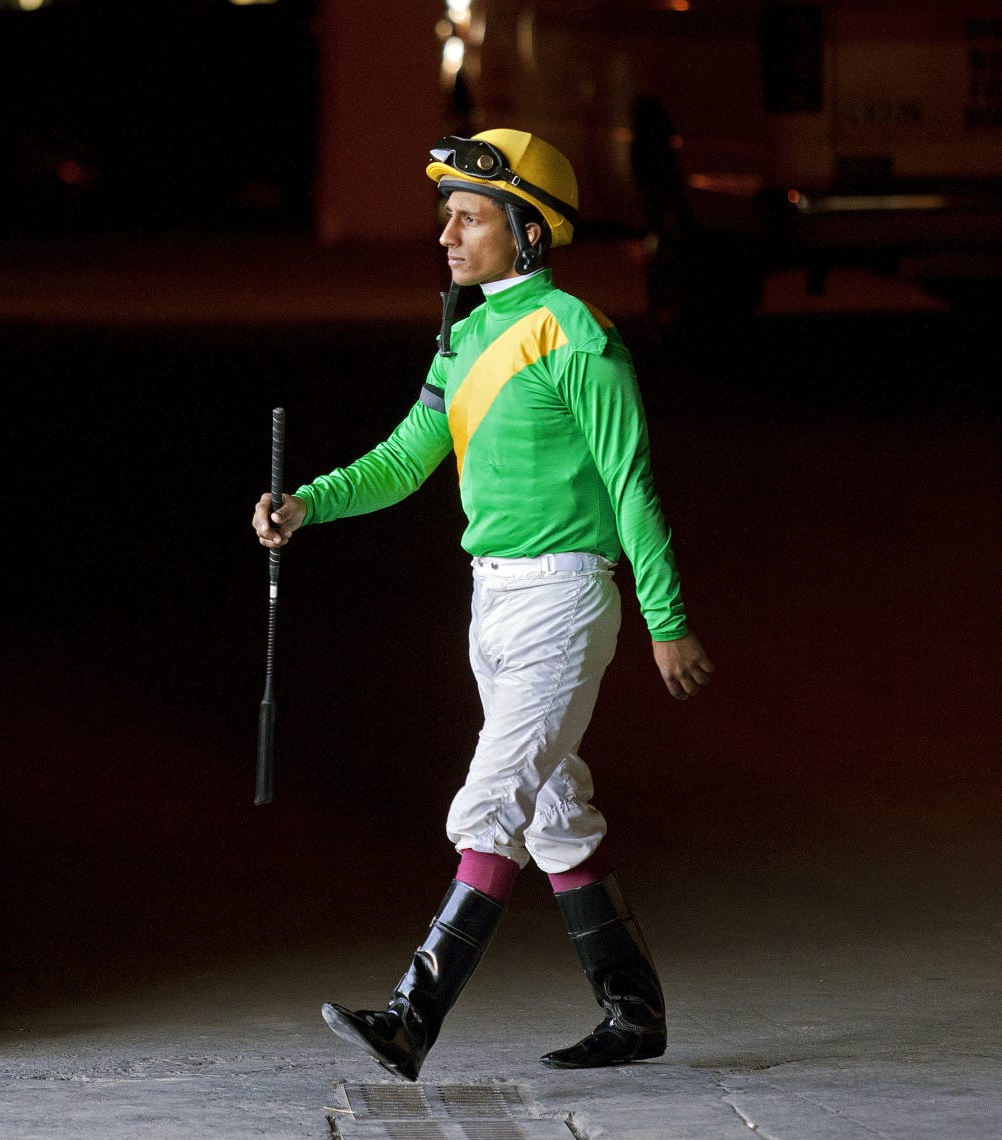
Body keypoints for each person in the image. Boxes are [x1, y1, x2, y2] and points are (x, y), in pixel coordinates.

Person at [252, 129, 713, 1081]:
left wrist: (665, 622)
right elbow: (403, 459)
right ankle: (634, 1012)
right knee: (553, 813)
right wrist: (307, 504)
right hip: (492, 601)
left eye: (469, 218)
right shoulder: (460, 339)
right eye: (447, 217)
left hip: (563, 599)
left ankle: (411, 1018)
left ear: (528, 230)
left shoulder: (578, 336)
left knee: (491, 803)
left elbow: (632, 486)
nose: (447, 236)